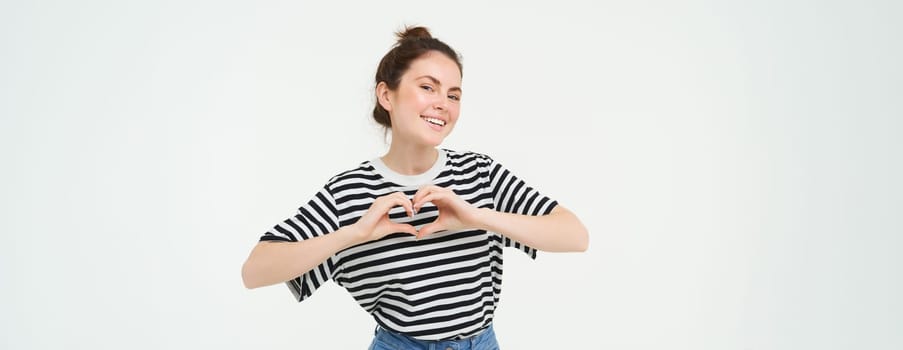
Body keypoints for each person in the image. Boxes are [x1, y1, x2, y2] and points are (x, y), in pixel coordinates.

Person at [241, 25, 589, 350]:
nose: (443, 103)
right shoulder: (349, 192)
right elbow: (255, 271)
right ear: (386, 95)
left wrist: (479, 216)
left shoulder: (479, 173)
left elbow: (574, 236)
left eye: (454, 95)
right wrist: (354, 234)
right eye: (427, 87)